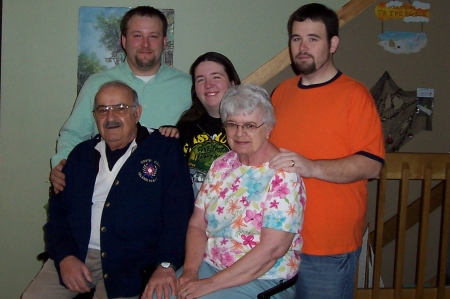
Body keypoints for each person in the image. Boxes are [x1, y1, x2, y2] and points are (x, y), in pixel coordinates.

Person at [22, 81, 194, 299]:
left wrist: (166, 264)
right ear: (95, 116)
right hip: (79, 252)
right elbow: (58, 214)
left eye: (120, 108)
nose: (110, 117)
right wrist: (65, 257)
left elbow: (178, 215)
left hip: (132, 264)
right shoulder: (80, 155)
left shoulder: (164, 149)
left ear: (137, 113)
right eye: (102, 110)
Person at [268, 3, 385, 299]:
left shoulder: (354, 95)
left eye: (313, 38)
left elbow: (372, 166)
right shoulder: (282, 92)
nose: (302, 47)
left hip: (328, 248)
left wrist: (311, 167)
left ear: (333, 43)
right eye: (296, 39)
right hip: (279, 242)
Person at [169, 84, 306, 299]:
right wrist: (190, 271)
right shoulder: (220, 165)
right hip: (210, 265)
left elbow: (271, 251)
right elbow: (197, 224)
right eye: (232, 124)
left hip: (262, 278)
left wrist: (208, 285)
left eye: (250, 125)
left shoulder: (283, 174)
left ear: (268, 127)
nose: (240, 133)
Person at [51, 6, 192, 193]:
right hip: (105, 192)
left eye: (153, 36)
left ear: (164, 41)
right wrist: (63, 165)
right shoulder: (97, 84)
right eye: (137, 36)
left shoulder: (189, 87)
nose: (145, 44)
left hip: (166, 195)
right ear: (124, 41)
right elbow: (72, 134)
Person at [160, 52, 241, 196]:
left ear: (232, 83)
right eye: (200, 80)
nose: (209, 85)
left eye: (216, 77)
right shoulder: (185, 128)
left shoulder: (249, 127)